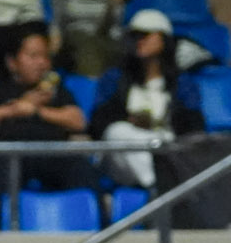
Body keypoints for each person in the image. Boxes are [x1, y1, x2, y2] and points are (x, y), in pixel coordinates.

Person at [0, 30, 96, 230]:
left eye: (45, 57)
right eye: (33, 56)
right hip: (8, 156)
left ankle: (101, 234)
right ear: (12, 62)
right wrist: (15, 109)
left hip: (52, 154)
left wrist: (37, 111)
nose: (41, 63)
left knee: (85, 171)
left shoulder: (57, 94)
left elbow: (77, 120)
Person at [88, 10, 206, 189]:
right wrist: (130, 121)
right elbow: (97, 124)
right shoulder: (115, 78)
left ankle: (160, 184)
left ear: (163, 39)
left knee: (167, 144)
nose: (139, 40)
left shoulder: (182, 83)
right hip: (123, 156)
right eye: (134, 36)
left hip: (165, 148)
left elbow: (195, 127)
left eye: (145, 35)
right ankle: (159, 186)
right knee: (118, 132)